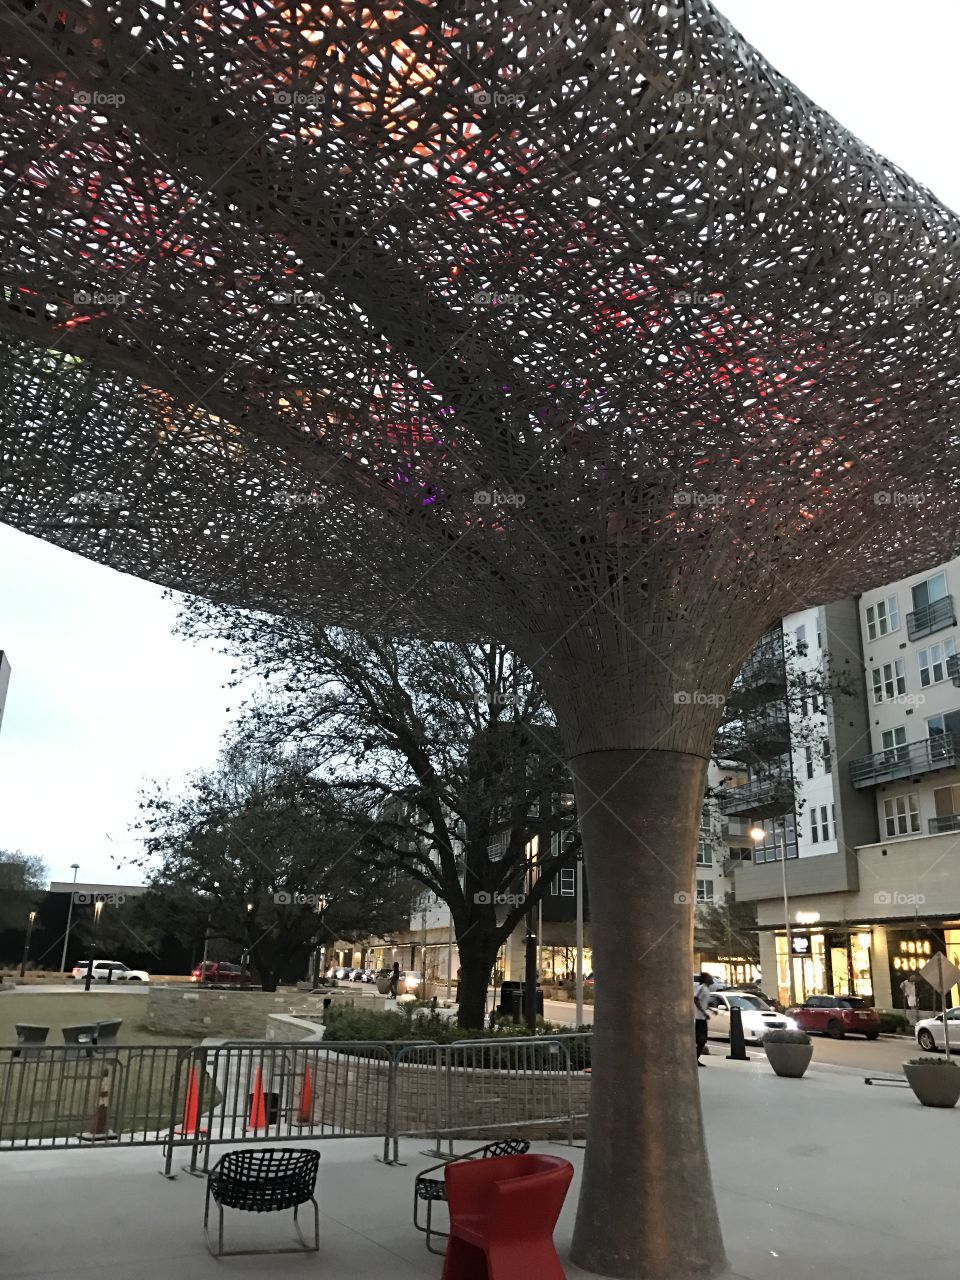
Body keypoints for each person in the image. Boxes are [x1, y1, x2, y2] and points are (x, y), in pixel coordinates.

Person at [694, 972, 714, 1065]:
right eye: (710, 977)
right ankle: (694, 1059)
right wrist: (703, 1012)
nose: (712, 979)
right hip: (699, 1018)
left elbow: (703, 1003)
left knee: (701, 1040)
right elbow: (696, 999)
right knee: (701, 1040)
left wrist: (710, 1010)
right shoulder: (701, 987)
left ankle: (695, 1058)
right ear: (706, 979)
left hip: (702, 1018)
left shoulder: (707, 989)